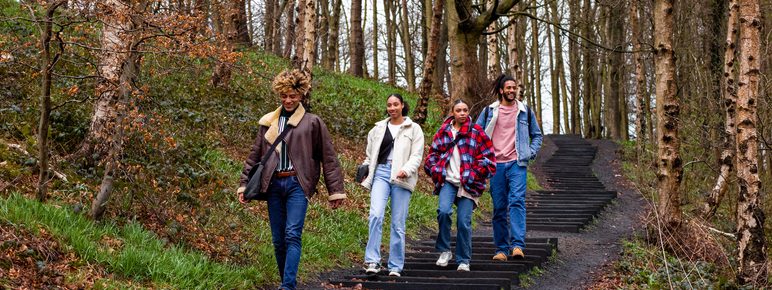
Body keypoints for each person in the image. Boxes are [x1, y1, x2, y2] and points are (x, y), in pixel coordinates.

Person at [237, 69, 346, 290]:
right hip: (274, 184)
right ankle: (286, 281)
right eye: (284, 95)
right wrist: (244, 184)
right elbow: (255, 155)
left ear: (301, 95)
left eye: (293, 96)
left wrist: (335, 190)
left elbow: (329, 157)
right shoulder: (268, 122)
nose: (288, 100)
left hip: (298, 184)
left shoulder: (313, 122)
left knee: (292, 234)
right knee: (278, 240)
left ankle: (287, 286)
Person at [475, 74, 542, 261]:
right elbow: (476, 134)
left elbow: (537, 135)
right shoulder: (489, 111)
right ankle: (501, 249)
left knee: (517, 202)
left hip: (517, 163)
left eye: (514, 87)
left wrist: (530, 152)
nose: (512, 90)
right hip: (495, 165)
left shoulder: (524, 111)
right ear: (501, 90)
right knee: (499, 207)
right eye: (509, 87)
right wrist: (482, 158)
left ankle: (518, 246)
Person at [424, 99, 496, 272]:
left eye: (465, 110)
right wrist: (435, 169)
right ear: (453, 112)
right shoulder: (444, 131)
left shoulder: (477, 131)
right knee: (443, 212)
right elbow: (432, 154)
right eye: (458, 110)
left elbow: (489, 158)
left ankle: (464, 259)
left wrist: (474, 173)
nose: (462, 113)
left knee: (464, 222)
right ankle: (445, 251)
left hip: (468, 182)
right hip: (448, 181)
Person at [360, 94, 425, 277]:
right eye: (389, 105)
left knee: (398, 223)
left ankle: (395, 265)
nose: (392, 108)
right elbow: (369, 154)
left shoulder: (414, 129)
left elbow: (417, 155)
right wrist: (365, 169)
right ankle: (372, 261)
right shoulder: (378, 129)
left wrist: (406, 169)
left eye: (396, 104)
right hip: (380, 173)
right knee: (375, 215)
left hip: (401, 177)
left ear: (402, 105)